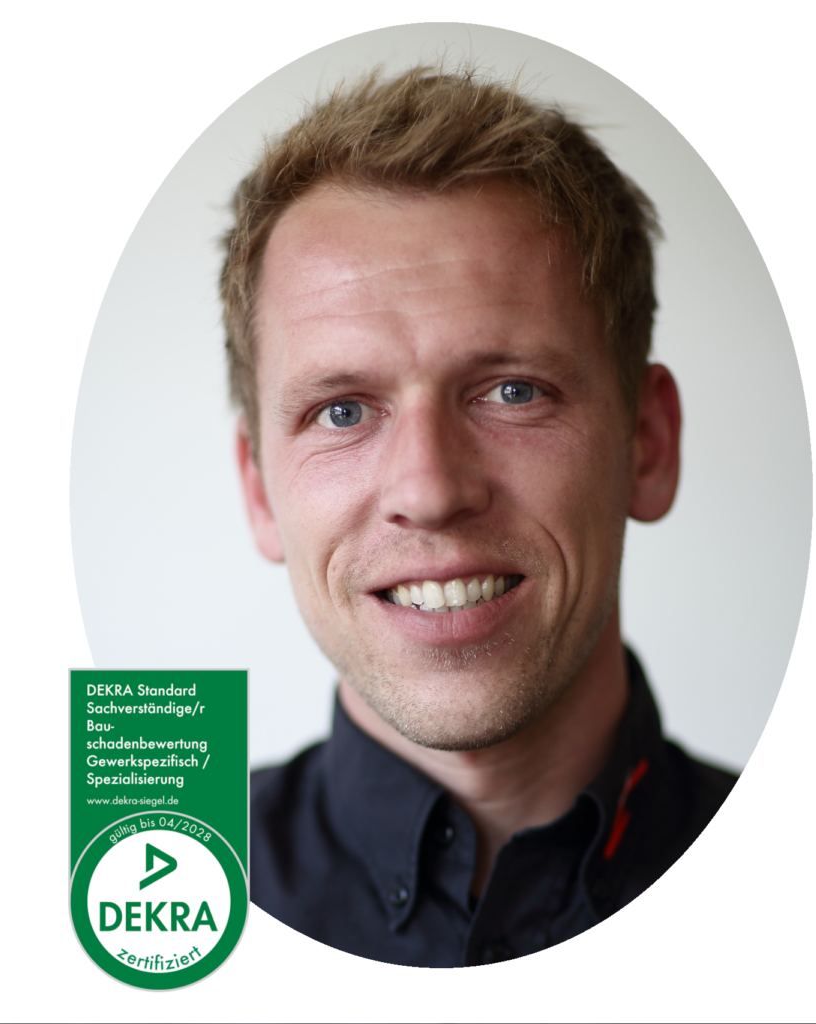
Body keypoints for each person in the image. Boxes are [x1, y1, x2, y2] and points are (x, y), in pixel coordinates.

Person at [223, 65, 738, 967]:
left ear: (647, 446)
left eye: (513, 391)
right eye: (342, 411)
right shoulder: (140, 889)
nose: (429, 490)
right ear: (260, 490)